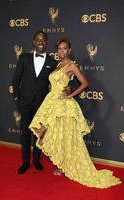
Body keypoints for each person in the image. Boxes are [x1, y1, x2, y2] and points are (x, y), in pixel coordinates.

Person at [29, 38, 121, 188]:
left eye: (64, 49)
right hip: (51, 102)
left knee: (64, 135)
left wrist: (70, 95)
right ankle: (60, 164)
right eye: (59, 49)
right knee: (55, 134)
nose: (61, 51)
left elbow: (84, 82)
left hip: (63, 106)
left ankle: (64, 165)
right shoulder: (58, 64)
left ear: (69, 50)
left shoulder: (71, 65)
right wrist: (65, 90)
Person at [12, 31, 58, 174]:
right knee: (25, 133)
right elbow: (15, 79)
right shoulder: (24, 58)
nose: (41, 42)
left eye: (43, 40)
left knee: (39, 134)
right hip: (25, 103)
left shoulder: (52, 62)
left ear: (47, 42)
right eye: (38, 40)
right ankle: (25, 162)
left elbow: (56, 83)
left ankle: (36, 160)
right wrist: (17, 98)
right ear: (33, 41)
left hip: (42, 105)